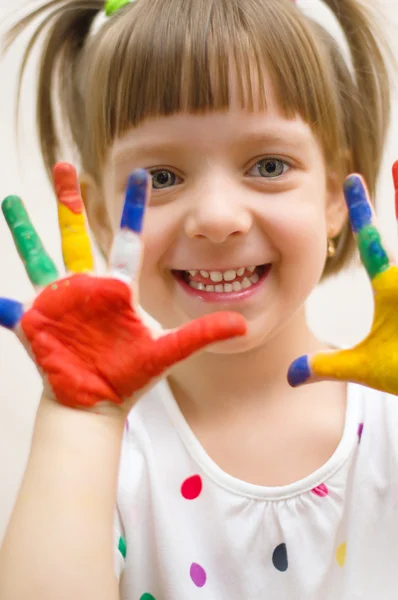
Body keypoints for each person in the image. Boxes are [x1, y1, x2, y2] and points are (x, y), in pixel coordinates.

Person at [0, 0, 397, 598]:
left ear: (337, 197)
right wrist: (80, 417)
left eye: (268, 164)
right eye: (160, 178)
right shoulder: (104, 449)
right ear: (102, 217)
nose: (216, 219)